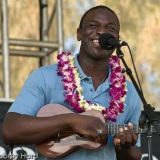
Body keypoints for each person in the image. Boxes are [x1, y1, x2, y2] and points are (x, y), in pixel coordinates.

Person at [2, 5, 142, 160]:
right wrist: (71, 120)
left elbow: (133, 156)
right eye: (93, 26)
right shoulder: (44, 77)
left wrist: (124, 147)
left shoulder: (129, 92)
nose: (102, 32)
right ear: (79, 34)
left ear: (117, 38)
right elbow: (11, 131)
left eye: (110, 28)